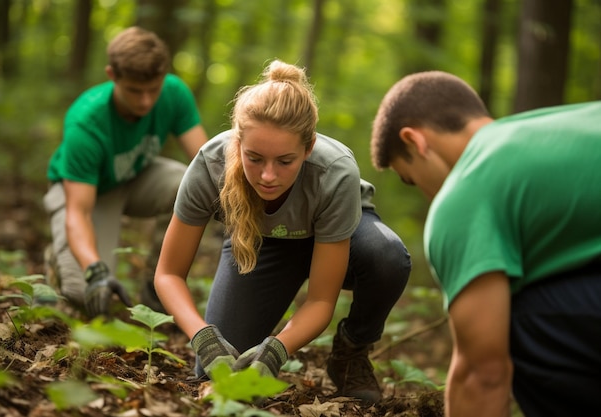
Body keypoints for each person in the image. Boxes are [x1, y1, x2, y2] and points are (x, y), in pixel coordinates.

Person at [154, 59, 411, 403]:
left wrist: (277, 350)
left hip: (340, 238)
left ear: (308, 147)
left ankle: (351, 352)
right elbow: (169, 273)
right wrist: (203, 336)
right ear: (237, 143)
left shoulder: (334, 171)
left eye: (285, 161)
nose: (268, 176)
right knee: (218, 370)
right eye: (254, 158)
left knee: (388, 256)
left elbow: (321, 299)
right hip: (264, 243)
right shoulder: (210, 164)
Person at [370, 70, 601, 416]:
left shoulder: (466, 189)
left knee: (519, 319)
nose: (427, 194)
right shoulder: (553, 129)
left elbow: (482, 374)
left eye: (410, 178)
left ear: (415, 141)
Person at [43, 26, 208, 318]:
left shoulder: (174, 93)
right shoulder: (87, 122)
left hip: (136, 176)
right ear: (112, 75)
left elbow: (207, 163)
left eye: (152, 90)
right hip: (85, 192)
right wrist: (95, 271)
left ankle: (158, 293)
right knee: (83, 293)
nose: (145, 101)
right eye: (134, 91)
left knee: (194, 185)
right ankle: (59, 260)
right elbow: (78, 212)